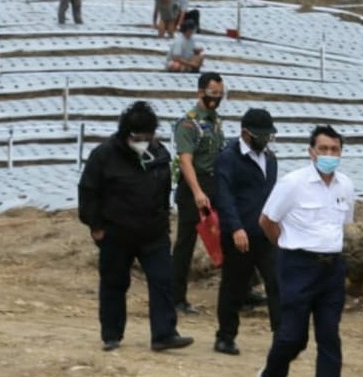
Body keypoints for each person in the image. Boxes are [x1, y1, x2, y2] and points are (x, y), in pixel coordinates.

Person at [251, 125, 354, 377]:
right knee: (293, 337)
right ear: (311, 152)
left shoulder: (345, 185)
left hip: (332, 268)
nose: (329, 155)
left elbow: (344, 221)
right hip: (297, 266)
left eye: (335, 150)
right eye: (323, 149)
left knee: (329, 337)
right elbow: (267, 221)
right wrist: (286, 246)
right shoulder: (293, 183)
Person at [78, 101, 193, 352]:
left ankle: (164, 334)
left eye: (148, 136)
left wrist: (164, 222)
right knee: (114, 283)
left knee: (163, 280)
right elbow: (88, 192)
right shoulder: (104, 156)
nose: (143, 141)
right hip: (116, 232)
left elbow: (163, 189)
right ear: (125, 134)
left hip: (153, 233)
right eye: (138, 137)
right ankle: (111, 334)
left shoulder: (158, 153)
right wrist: (95, 225)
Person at [212, 108, 281, 356]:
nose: (265, 140)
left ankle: (281, 335)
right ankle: (225, 337)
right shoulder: (228, 159)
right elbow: (224, 196)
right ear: (245, 134)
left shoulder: (270, 159)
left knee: (276, 282)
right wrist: (236, 227)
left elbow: (274, 194)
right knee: (234, 285)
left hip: (265, 233)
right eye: (261, 135)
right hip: (239, 234)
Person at [171, 72, 225, 314]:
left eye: (220, 94)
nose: (217, 98)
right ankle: (175, 297)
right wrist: (197, 192)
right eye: (213, 94)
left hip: (215, 183)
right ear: (200, 92)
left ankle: (243, 290)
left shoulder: (215, 122)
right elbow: (185, 161)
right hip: (195, 186)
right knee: (185, 243)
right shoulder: (188, 124)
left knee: (230, 234)